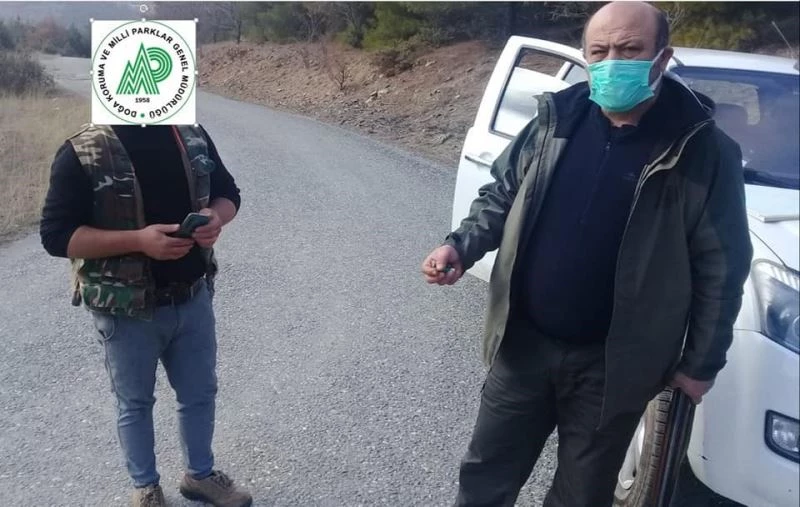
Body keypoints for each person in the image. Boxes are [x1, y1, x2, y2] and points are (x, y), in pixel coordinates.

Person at [421, 2, 753, 506]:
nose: (612, 62)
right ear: (585, 55)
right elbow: (503, 194)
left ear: (662, 58)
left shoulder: (702, 149)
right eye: (599, 51)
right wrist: (460, 245)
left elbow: (721, 269)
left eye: (630, 49)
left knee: (582, 495)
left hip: (614, 368)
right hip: (524, 345)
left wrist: (701, 363)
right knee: (486, 475)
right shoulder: (557, 116)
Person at [40, 123, 252, 507]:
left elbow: (228, 193)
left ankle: (200, 476)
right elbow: (56, 236)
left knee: (199, 393)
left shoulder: (189, 132)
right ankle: (146, 488)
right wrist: (138, 241)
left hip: (192, 296)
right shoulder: (84, 149)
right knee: (134, 403)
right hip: (125, 310)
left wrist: (215, 217)